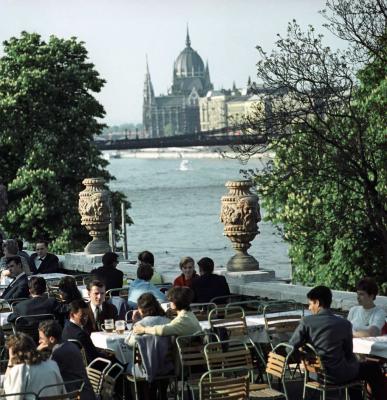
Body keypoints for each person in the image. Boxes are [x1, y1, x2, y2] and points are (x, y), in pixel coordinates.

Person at [289, 285, 386, 400]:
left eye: (310, 304)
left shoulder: (306, 322)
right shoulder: (344, 324)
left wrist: (304, 356)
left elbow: (289, 348)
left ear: (318, 303)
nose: (309, 307)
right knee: (372, 368)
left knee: (355, 369)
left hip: (317, 374)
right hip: (340, 375)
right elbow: (349, 353)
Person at [125, 293, 172, 400]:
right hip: (166, 366)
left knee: (127, 365)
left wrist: (135, 322)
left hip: (145, 369)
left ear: (141, 309)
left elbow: (129, 342)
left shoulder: (140, 325)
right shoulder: (168, 322)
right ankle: (161, 394)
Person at [38, 320, 96, 400]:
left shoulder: (58, 353)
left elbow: (46, 374)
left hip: (76, 396)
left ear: (51, 339)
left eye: (41, 338)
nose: (39, 341)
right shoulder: (69, 344)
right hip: (84, 391)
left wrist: (37, 351)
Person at [3, 333, 65, 399]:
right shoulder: (52, 364)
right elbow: (63, 391)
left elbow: (13, 398)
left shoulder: (20, 370)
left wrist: (10, 363)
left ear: (14, 352)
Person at [133, 287, 201, 337]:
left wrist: (144, 329)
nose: (169, 303)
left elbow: (162, 330)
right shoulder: (189, 315)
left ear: (174, 304)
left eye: (170, 301)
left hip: (184, 353)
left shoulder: (181, 320)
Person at [62, 299, 105, 364]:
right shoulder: (81, 334)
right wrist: (107, 354)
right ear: (72, 315)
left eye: (87, 315)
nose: (85, 318)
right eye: (82, 315)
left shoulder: (66, 327)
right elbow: (93, 357)